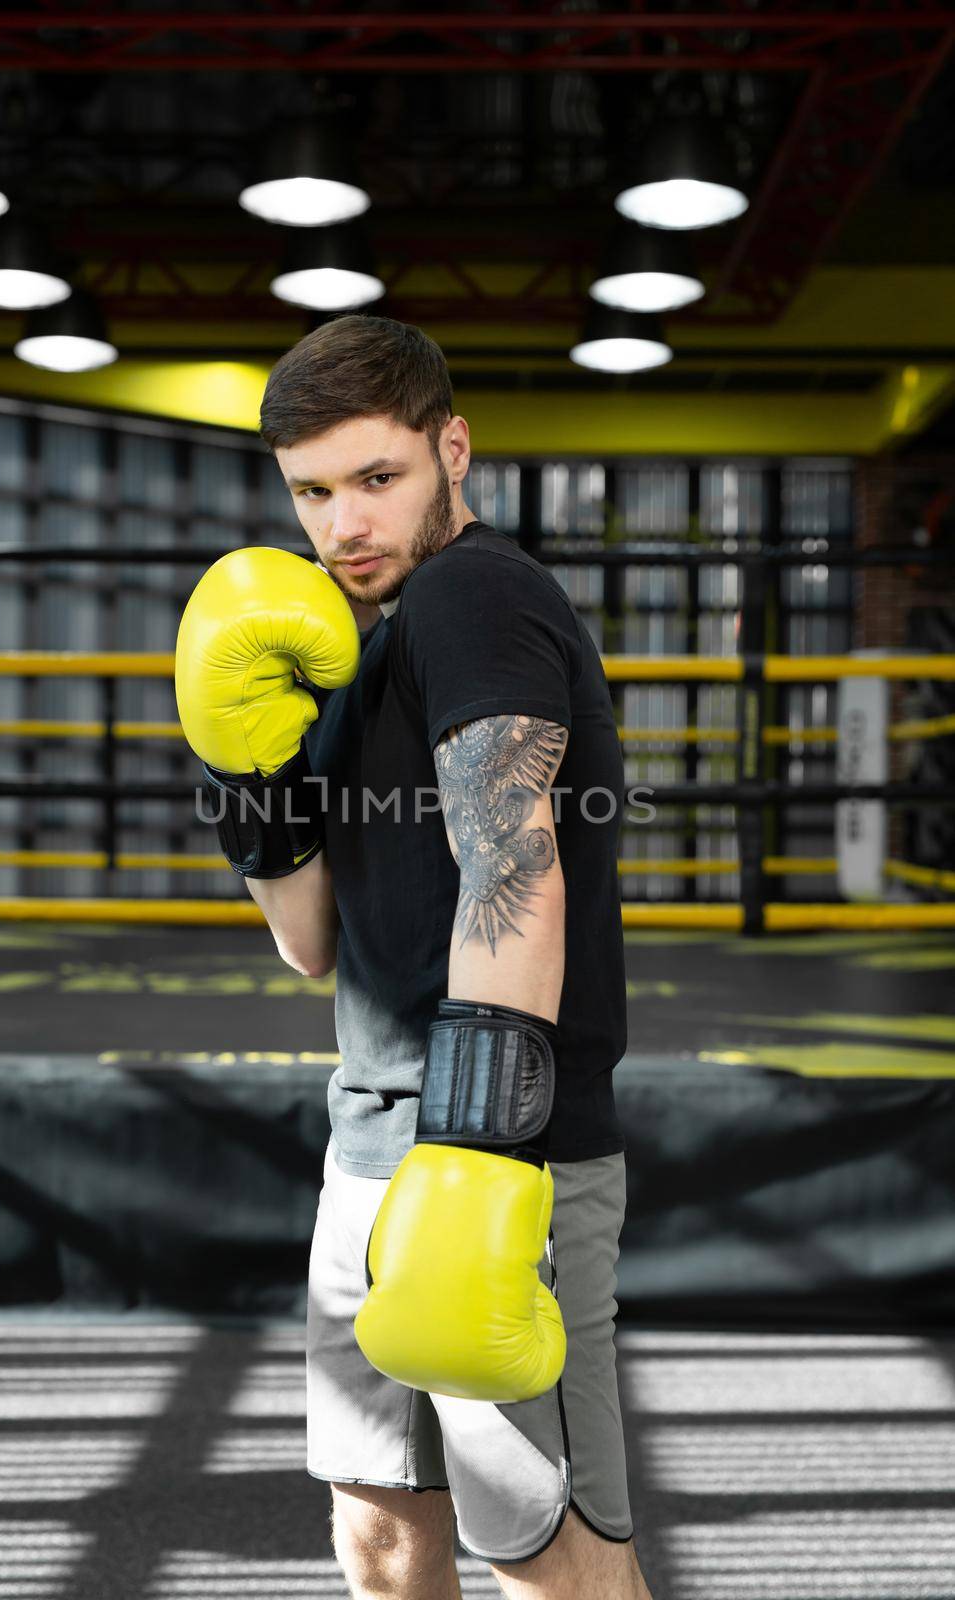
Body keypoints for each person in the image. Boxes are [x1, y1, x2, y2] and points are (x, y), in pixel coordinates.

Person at [175, 314, 653, 1600]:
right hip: (367, 1135)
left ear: (451, 449)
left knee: (552, 1554)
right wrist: (250, 776)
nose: (344, 527)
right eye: (313, 493)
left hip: (495, 1144)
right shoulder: (337, 645)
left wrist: (475, 1155)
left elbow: (514, 866)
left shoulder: (472, 592)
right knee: (381, 1528)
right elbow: (311, 945)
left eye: (376, 479)